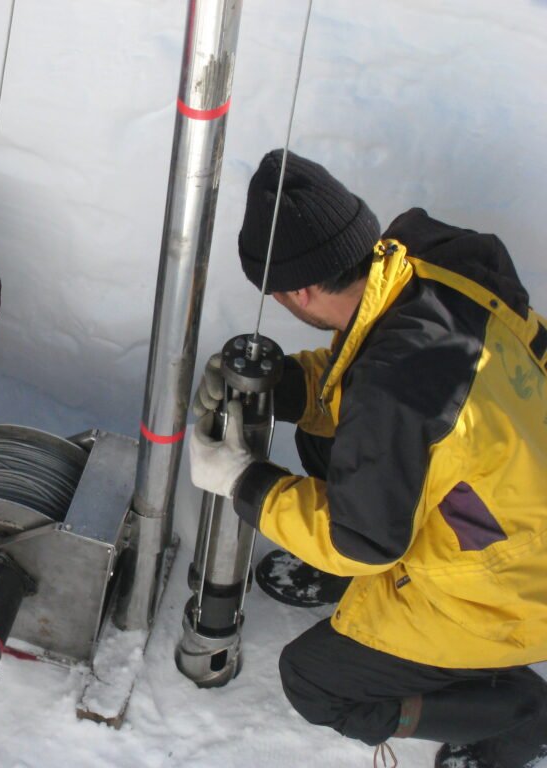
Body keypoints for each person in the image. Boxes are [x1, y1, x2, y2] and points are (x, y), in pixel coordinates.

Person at [188, 150, 547, 767]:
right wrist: (283, 388)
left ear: (299, 289)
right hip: (510, 487)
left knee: (314, 681)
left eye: (272, 293)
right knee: (324, 439)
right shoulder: (433, 266)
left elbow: (360, 537)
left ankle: (521, 714)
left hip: (510, 583)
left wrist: (244, 481)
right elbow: (386, 391)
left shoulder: (397, 387)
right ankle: (373, 599)